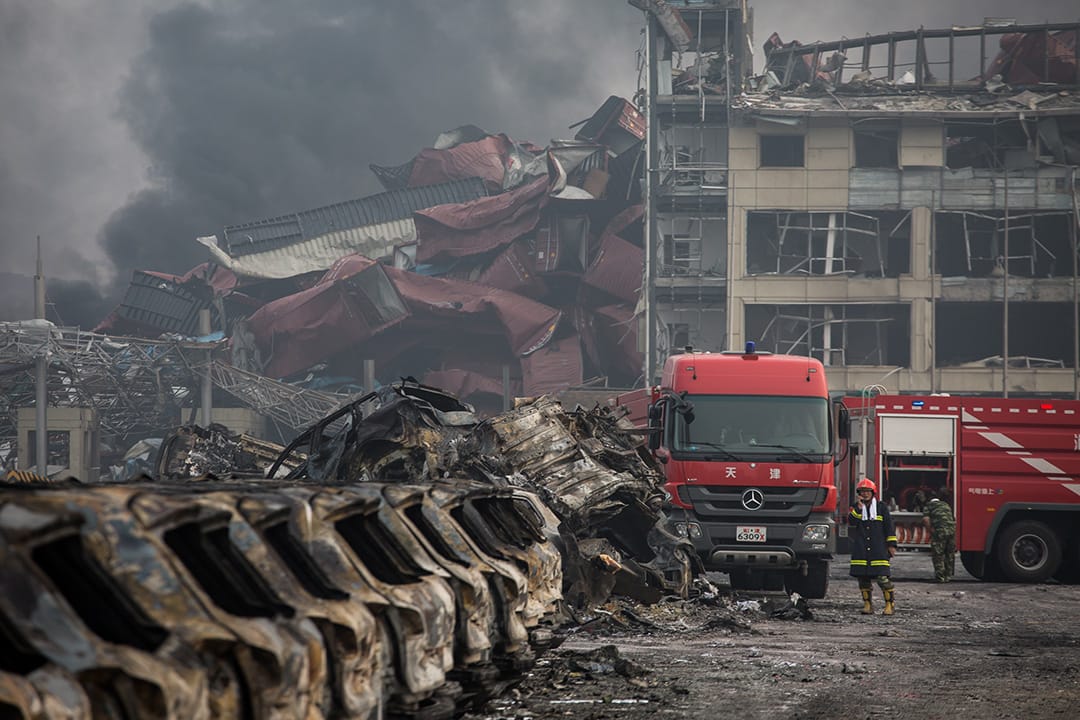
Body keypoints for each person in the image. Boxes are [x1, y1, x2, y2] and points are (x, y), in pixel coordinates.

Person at [849, 478, 898, 615]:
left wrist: (892, 545)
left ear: (873, 492)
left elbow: (889, 527)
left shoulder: (881, 508)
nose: (865, 494)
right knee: (863, 579)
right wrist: (858, 509)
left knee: (882, 578)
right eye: (862, 492)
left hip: (878, 548)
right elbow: (851, 522)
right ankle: (867, 605)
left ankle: (889, 605)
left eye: (867, 491)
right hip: (861, 549)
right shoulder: (855, 507)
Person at [922, 489, 957, 582]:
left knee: (938, 554)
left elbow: (926, 519)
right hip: (951, 531)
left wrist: (931, 530)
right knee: (949, 554)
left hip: (940, 531)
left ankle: (940, 577)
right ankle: (948, 576)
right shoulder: (946, 505)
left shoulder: (929, 506)